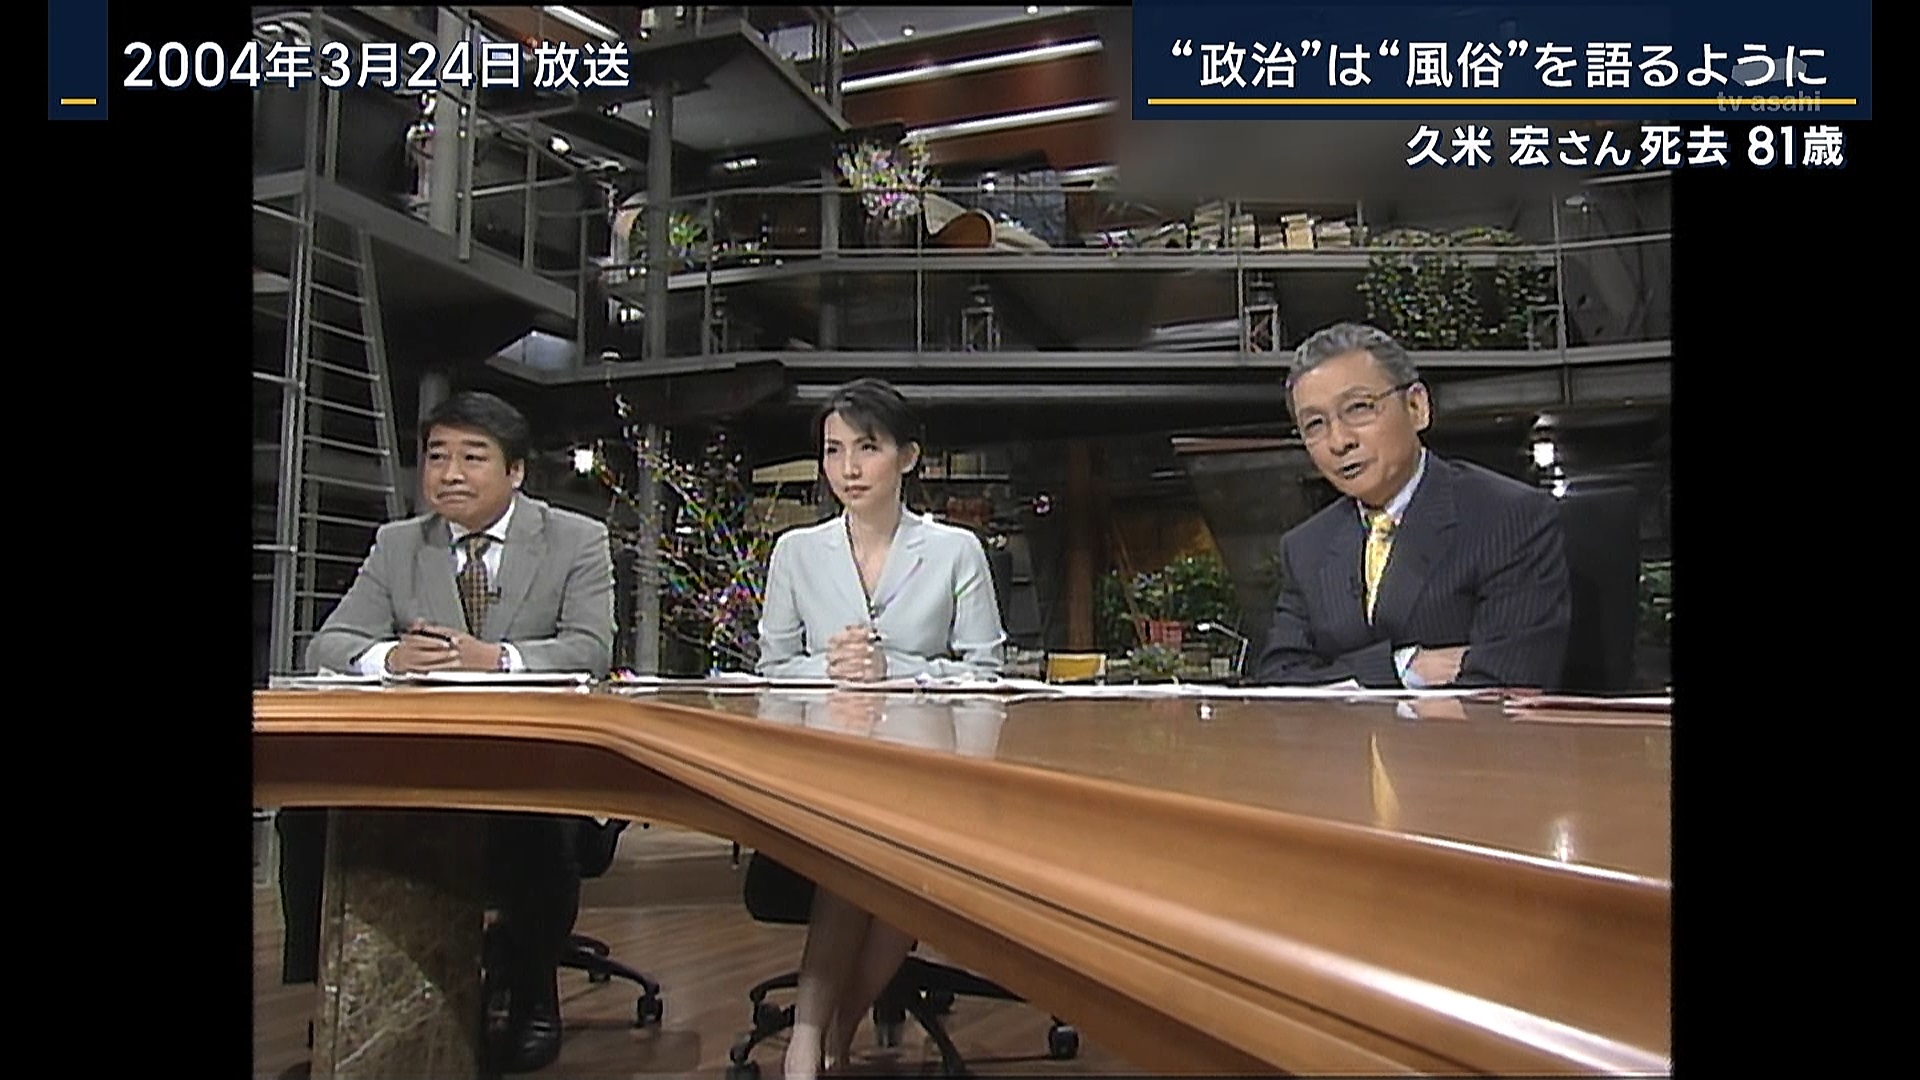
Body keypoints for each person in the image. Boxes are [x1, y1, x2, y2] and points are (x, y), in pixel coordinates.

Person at [283, 390, 616, 1074]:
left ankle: (529, 989)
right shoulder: (399, 544)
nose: (450, 474)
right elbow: (330, 643)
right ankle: (339, 992)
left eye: (472, 458)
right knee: (305, 817)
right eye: (437, 458)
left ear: (515, 472)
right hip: (416, 762)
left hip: (530, 760)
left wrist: (496, 659)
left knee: (537, 826)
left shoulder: (575, 540)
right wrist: (389, 658)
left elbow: (590, 648)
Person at [752, 378, 1006, 1079]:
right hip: (826, 765)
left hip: (926, 766)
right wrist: (830, 668)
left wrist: (901, 670)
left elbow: (986, 672)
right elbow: (772, 669)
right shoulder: (796, 552)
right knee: (854, 860)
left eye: (867, 448)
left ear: (908, 457)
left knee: (893, 870)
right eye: (834, 451)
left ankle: (820, 1034)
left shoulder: (954, 550)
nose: (849, 468)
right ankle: (819, 1035)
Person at [1253, 322, 1571, 689]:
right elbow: (1279, 681)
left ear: (1417, 406)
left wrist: (1341, 677)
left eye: (1358, 408)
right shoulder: (1306, 548)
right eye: (1314, 425)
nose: (1338, 441)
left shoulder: (1509, 518)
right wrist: (1403, 666)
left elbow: (1510, 681)